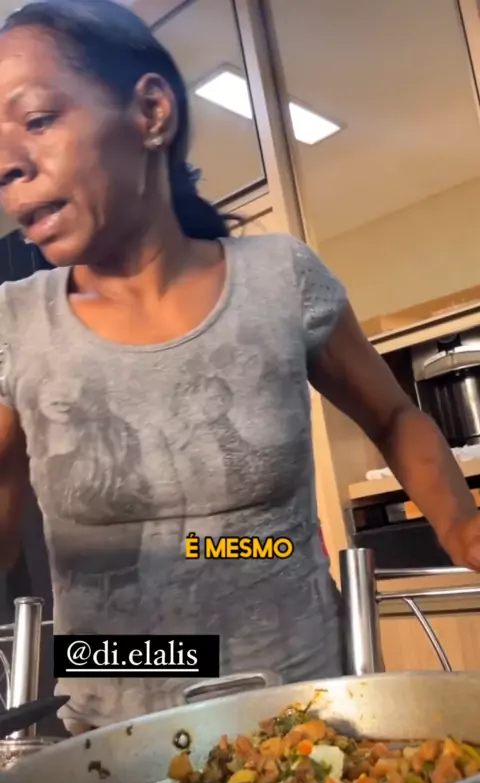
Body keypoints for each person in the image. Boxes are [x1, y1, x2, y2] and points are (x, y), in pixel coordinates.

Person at [0, 0, 479, 735]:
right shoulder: (16, 325)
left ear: (151, 112)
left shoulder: (280, 280)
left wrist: (462, 527)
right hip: (110, 751)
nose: (7, 163)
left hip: (307, 720)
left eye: (37, 120)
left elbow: (393, 416)